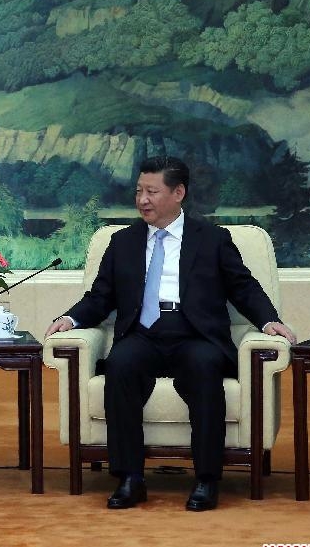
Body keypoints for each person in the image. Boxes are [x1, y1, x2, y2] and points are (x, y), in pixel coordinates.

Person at [45, 156, 295, 512]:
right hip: (144, 333)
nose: (142, 200)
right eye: (138, 191)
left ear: (178, 193)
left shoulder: (212, 239)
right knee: (120, 366)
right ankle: (130, 477)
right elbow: (101, 297)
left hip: (195, 334)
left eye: (152, 191)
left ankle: (207, 479)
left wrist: (270, 321)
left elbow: (243, 287)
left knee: (205, 368)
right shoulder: (123, 242)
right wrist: (70, 319)